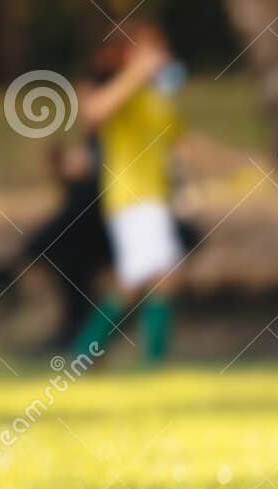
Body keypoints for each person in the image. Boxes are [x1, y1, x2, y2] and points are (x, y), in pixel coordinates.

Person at [73, 21, 185, 365]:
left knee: (135, 281)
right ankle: (153, 363)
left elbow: (180, 145)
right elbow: (93, 112)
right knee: (163, 274)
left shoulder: (159, 100)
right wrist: (135, 74)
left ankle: (84, 355)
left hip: (157, 197)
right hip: (131, 198)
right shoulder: (123, 92)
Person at [0, 139, 110, 352]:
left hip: (94, 252)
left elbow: (62, 226)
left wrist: (29, 251)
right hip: (77, 256)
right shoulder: (77, 191)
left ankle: (83, 342)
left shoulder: (92, 187)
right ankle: (78, 340)